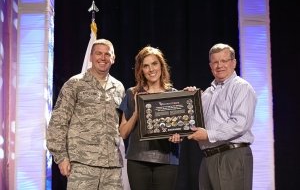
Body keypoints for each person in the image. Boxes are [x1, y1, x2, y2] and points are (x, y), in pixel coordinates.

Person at [46, 39, 125, 190]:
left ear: (113, 58)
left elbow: (121, 125)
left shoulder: (119, 87)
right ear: (90, 57)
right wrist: (61, 157)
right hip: (82, 165)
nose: (103, 58)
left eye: (107, 54)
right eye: (98, 53)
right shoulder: (74, 84)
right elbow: (58, 122)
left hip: (112, 168)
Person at [187, 43, 257, 190]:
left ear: (234, 63)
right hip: (208, 158)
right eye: (215, 62)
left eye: (224, 61)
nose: (219, 66)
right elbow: (196, 122)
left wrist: (208, 134)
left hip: (232, 155)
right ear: (210, 66)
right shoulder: (207, 93)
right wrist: (190, 100)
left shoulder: (241, 87)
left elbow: (239, 123)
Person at [118, 46, 182, 190]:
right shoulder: (132, 93)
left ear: (161, 66)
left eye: (154, 64)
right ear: (141, 70)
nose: (151, 69)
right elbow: (123, 133)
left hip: (167, 160)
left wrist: (179, 136)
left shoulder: (174, 95)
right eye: (146, 66)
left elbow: (182, 127)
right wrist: (136, 112)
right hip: (138, 161)